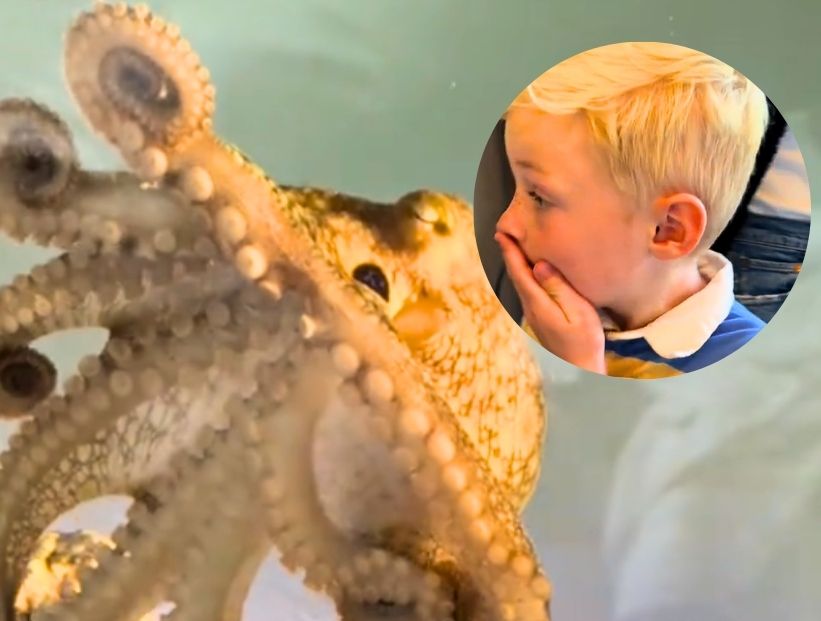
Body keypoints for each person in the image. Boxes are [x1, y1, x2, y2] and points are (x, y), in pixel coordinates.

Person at [494, 42, 771, 378]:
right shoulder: (557, 306)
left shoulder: (751, 373)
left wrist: (579, 366)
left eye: (539, 197)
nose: (506, 223)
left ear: (668, 229)